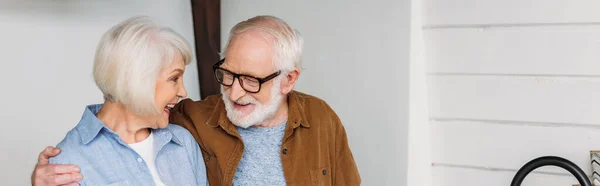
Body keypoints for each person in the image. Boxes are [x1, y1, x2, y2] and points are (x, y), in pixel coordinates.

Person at [33, 15, 360, 186]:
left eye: (250, 80)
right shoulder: (189, 122)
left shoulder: (322, 119)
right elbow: (121, 118)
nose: (233, 92)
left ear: (289, 79)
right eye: (228, 74)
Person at [34, 16, 208, 186]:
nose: (183, 92)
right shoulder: (66, 164)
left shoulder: (183, 142)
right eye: (174, 78)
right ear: (137, 80)